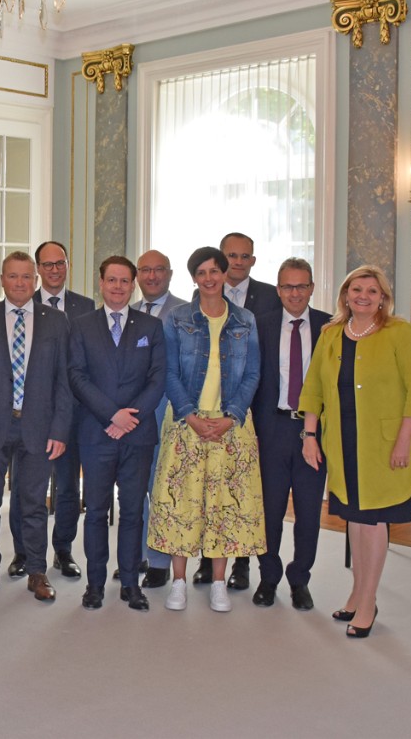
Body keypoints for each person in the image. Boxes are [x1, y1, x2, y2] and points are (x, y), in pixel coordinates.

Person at [299, 265, 411, 638]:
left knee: (372, 522)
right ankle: (357, 593)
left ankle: (368, 601)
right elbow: (313, 390)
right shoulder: (332, 334)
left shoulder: (398, 333)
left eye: (373, 291)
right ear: (345, 295)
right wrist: (309, 435)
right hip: (342, 443)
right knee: (355, 521)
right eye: (357, 289)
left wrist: (404, 441)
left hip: (385, 446)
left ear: (383, 298)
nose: (364, 296)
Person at [149, 246, 265, 613]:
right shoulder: (178, 318)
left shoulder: (245, 319)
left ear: (225, 272)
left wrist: (231, 416)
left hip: (231, 426)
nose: (210, 278)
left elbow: (252, 373)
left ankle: (218, 582)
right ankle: (179, 581)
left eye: (216, 271)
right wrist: (190, 415)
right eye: (202, 272)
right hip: (187, 424)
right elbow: (167, 372)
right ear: (194, 278)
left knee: (224, 507)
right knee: (181, 504)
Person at [0, 252, 73, 603]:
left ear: (35, 281)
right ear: (2, 280)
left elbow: (64, 382)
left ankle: (37, 571)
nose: (20, 283)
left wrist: (60, 430)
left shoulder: (57, 320)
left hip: (38, 426)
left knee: (34, 503)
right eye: (13, 276)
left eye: (26, 277)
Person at [68, 256, 166, 611]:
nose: (119, 287)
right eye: (112, 280)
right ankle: (94, 585)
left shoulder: (151, 327)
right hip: (96, 433)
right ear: (101, 282)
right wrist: (112, 415)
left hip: (137, 436)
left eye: (126, 281)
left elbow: (158, 378)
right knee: (95, 512)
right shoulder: (81, 326)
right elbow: (77, 376)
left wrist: (129, 418)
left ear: (134, 284)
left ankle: (130, 584)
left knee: (133, 513)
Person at [194, 232, 281, 589]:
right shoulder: (199, 299)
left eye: (245, 256)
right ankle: (206, 560)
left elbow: (265, 360)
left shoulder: (271, 297)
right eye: (232, 255)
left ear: (254, 260)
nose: (238, 262)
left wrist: (238, 409)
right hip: (207, 411)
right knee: (205, 487)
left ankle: (241, 563)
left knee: (240, 490)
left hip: (253, 409)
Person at [8, 240, 95, 580]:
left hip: (70, 413)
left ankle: (63, 549)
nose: (54, 269)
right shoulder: (22, 304)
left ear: (68, 265)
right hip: (25, 417)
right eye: (47, 264)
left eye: (60, 263)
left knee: (68, 486)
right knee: (23, 488)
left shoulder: (85, 306)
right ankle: (23, 552)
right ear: (38, 270)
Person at [249, 258, 330, 611]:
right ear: (278, 289)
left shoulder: (329, 326)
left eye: (301, 286)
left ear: (311, 287)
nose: (294, 293)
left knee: (310, 512)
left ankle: (300, 579)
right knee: (269, 509)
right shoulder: (261, 325)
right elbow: (252, 378)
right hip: (272, 427)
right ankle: (268, 577)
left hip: (315, 431)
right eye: (286, 286)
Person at [133, 249, 181, 589]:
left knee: (163, 491)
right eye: (145, 270)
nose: (152, 276)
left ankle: (161, 561)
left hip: (170, 415)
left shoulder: (185, 312)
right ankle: (134, 555)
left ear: (170, 274)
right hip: (132, 416)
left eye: (158, 270)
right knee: (134, 491)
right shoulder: (126, 310)